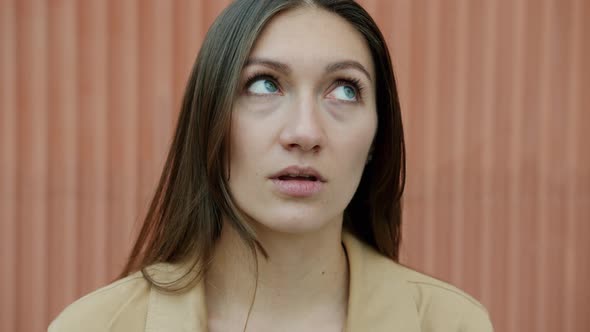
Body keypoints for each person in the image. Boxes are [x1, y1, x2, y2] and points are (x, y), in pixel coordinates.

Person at [49, 0, 494, 331]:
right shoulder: (95, 325)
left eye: (343, 89)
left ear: (378, 136)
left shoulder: (452, 323)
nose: (304, 132)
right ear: (211, 119)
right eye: (265, 84)